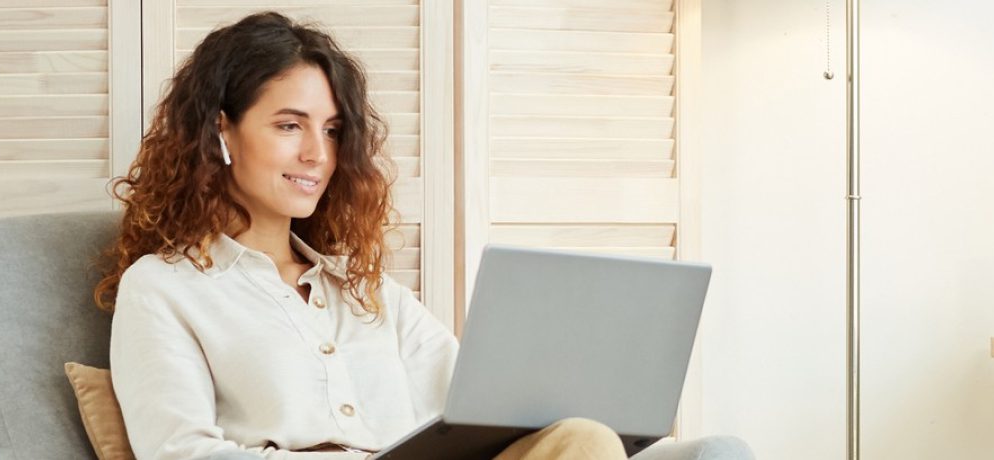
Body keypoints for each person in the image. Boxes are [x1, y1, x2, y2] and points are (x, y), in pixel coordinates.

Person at [93, 12, 745, 460]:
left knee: (583, 437)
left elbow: (478, 409)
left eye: (332, 130)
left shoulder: (367, 294)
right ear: (219, 133)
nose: (318, 154)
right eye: (290, 125)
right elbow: (178, 452)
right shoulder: (165, 288)